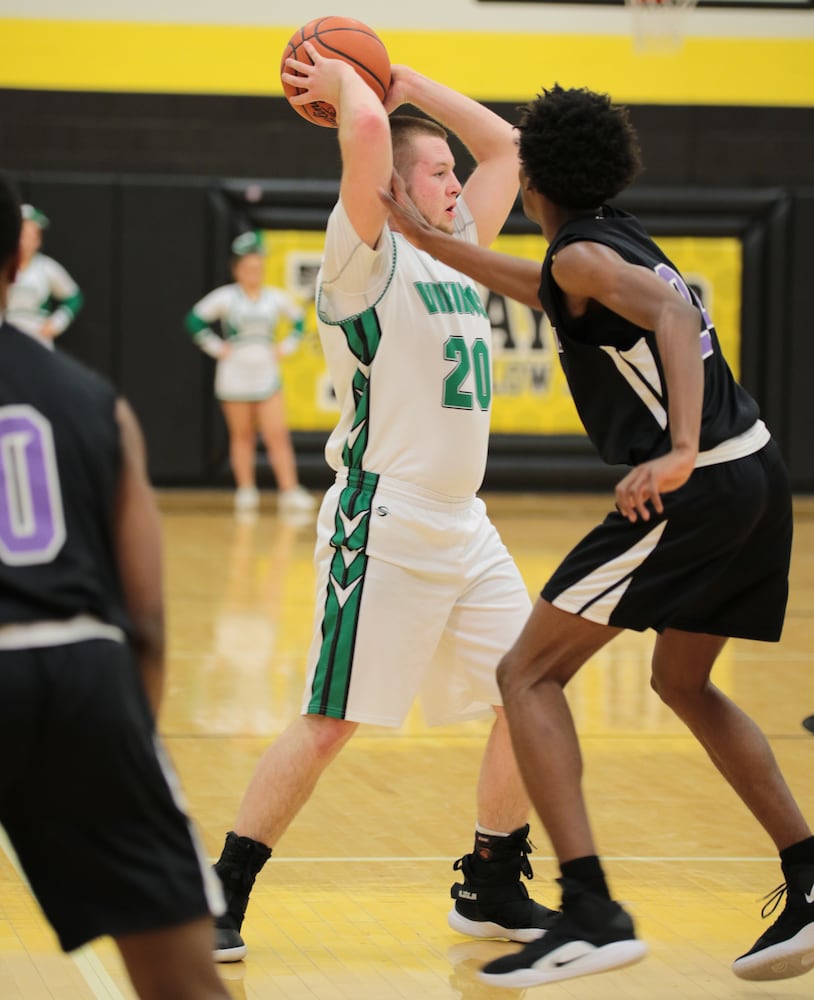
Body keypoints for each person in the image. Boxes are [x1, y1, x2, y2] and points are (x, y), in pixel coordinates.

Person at [379, 83, 814, 988]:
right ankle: (812, 875)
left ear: (535, 178)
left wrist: (683, 451)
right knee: (682, 681)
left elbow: (677, 315)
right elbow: (538, 282)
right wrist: (430, 224)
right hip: (758, 471)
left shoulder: (581, 253)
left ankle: (590, 910)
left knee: (526, 673)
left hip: (702, 485)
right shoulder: (596, 237)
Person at [209, 46, 560, 963]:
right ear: (394, 188)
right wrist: (348, 85)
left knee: (533, 691)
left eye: (452, 174)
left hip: (464, 522)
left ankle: (490, 882)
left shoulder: (462, 247)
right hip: (388, 516)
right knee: (331, 720)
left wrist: (402, 80)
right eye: (437, 173)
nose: (458, 182)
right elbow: (366, 133)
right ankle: (219, 893)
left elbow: (508, 148)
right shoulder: (362, 261)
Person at [0, 175, 230, 1000]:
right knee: (184, 983)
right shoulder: (98, 401)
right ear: (17, 257)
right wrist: (125, 747)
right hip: (83, 673)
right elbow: (150, 620)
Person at [184, 230, 316, 516]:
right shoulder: (226, 298)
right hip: (234, 373)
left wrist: (289, 345)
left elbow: (299, 320)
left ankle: (289, 490)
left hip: (266, 372)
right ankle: (246, 490)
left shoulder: (274, 298)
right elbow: (194, 320)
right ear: (236, 269)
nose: (253, 272)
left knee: (276, 433)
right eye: (248, 267)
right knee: (241, 434)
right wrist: (216, 347)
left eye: (258, 266)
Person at [6, 203, 84, 348]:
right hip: (7, 334)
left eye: (29, 235)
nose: (24, 240)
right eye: (21, 234)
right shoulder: (4, 266)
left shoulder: (46, 268)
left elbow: (74, 298)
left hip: (36, 336)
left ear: (38, 239)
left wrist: (56, 323)